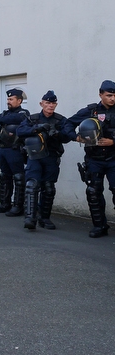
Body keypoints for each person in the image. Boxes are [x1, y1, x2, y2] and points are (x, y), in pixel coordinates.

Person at [64, 80, 115, 237]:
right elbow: (67, 124)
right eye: (109, 95)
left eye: (114, 95)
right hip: (94, 159)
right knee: (93, 192)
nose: (113, 99)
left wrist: (113, 141)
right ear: (100, 94)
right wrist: (76, 138)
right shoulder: (91, 110)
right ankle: (100, 226)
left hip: (114, 158)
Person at [17, 91, 69, 230]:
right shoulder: (32, 118)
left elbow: (68, 136)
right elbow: (20, 132)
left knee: (48, 188)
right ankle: (30, 218)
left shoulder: (60, 120)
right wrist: (37, 129)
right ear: (42, 104)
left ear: (56, 104)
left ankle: (44, 218)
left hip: (51, 157)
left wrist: (57, 134)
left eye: (53, 103)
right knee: (31, 185)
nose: (50, 106)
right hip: (35, 156)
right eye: (47, 103)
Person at [0, 88, 30, 216]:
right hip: (3, 149)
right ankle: (5, 204)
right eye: (8, 99)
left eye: (11, 99)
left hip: (15, 150)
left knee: (19, 177)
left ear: (19, 100)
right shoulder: (4, 114)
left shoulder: (23, 113)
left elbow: (16, 119)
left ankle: (18, 206)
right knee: (4, 176)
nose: (8, 101)